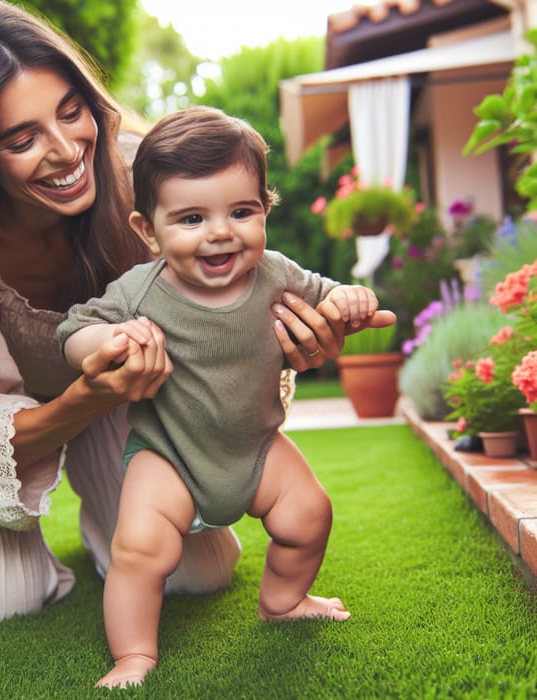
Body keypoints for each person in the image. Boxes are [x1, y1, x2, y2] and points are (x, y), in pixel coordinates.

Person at [0, 0, 356, 624]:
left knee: (196, 572)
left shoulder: (142, 172)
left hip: (123, 397)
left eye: (71, 113)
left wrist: (300, 338)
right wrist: (90, 396)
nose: (65, 150)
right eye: (22, 139)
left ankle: (107, 522)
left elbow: (238, 284)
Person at [59, 106, 390, 688]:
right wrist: (107, 340)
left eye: (241, 211)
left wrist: (350, 300)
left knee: (310, 514)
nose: (220, 232)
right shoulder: (139, 291)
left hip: (257, 446)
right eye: (190, 218)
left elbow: (329, 293)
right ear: (148, 230)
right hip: (169, 454)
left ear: (265, 209)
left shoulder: (276, 274)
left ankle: (283, 600)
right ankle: (133, 654)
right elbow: (72, 333)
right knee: (139, 551)